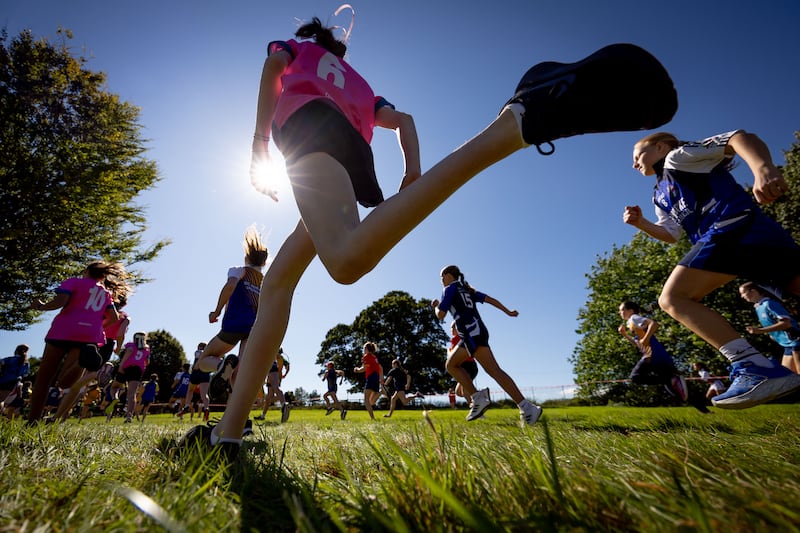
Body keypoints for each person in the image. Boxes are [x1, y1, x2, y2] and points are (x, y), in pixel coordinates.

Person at [178, 11, 676, 451]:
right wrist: (412, 173)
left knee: (346, 261)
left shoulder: (296, 49)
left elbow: (273, 66)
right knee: (279, 282)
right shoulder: (359, 84)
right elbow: (405, 121)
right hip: (348, 157)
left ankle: (513, 125)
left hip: (307, 132)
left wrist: (259, 142)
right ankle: (229, 433)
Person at [624, 130, 800, 409]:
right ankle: (756, 367)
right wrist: (641, 224)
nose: (634, 163)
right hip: (752, 238)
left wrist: (762, 168)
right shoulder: (659, 195)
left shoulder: (678, 158)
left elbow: (739, 137)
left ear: (660, 147)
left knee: (673, 298)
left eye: (638, 155)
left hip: (732, 228)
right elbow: (671, 234)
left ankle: (753, 365)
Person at [432, 265, 542, 426]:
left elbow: (441, 315)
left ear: (449, 276)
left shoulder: (449, 289)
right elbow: (490, 299)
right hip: (479, 330)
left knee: (452, 365)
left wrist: (436, 306)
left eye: (442, 276)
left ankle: (479, 398)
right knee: (494, 370)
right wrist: (507, 311)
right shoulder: (467, 289)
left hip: (470, 333)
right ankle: (527, 408)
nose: (441, 280)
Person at [27, 261, 128, 423]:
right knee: (65, 383)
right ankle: (81, 362)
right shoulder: (105, 293)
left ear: (86, 271)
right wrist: (98, 327)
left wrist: (41, 306)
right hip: (89, 335)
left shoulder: (73, 282)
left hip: (64, 329)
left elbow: (60, 301)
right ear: (102, 277)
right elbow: (114, 317)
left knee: (44, 378)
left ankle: (33, 421)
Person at [193, 226, 268, 388]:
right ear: (263, 263)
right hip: (253, 329)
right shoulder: (264, 281)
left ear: (246, 258)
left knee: (202, 362)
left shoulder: (239, 271)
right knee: (238, 373)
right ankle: (235, 404)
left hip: (233, 325)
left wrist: (216, 312)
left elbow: (230, 286)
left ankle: (222, 365)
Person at [617, 301, 690, 401]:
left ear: (630, 311)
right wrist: (625, 335)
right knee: (675, 390)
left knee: (635, 377)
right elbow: (637, 344)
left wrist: (646, 338)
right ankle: (703, 408)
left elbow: (654, 324)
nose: (620, 313)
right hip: (656, 355)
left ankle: (671, 379)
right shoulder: (630, 323)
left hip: (652, 355)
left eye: (622, 310)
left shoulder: (634, 318)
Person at [739, 282, 800, 373]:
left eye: (743, 293)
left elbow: (786, 323)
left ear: (753, 291)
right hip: (788, 345)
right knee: (788, 376)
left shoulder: (769, 304)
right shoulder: (758, 307)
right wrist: (773, 335)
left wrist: (761, 330)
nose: (742, 296)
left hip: (796, 342)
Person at [113, 332, 151, 423]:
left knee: (115, 386)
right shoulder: (146, 348)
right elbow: (147, 362)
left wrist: (121, 365)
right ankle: (129, 416)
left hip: (127, 367)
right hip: (138, 370)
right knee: (132, 394)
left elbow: (128, 352)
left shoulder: (130, 345)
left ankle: (115, 397)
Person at [445, 322, 480, 405]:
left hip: (468, 366)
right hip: (468, 367)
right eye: (451, 328)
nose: (451, 330)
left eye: (453, 328)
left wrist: (448, 352)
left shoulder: (457, 339)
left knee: (465, 390)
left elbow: (451, 355)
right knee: (458, 392)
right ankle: (480, 395)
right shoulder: (459, 338)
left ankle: (475, 406)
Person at [255, 348, 290, 422]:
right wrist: (285, 374)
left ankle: (284, 405)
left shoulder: (278, 357)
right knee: (268, 397)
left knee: (275, 388)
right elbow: (287, 366)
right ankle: (263, 416)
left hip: (271, 368)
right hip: (271, 371)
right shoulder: (280, 358)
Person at [178, 343, 211, 422]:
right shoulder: (210, 355)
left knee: (190, 390)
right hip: (205, 372)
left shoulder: (198, 351)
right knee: (204, 394)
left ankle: (186, 406)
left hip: (196, 371)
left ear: (199, 346)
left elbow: (199, 355)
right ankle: (206, 408)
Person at [354, 342, 383, 420]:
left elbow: (364, 368)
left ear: (366, 349)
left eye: (364, 349)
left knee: (366, 400)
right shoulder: (375, 357)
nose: (363, 350)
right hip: (376, 377)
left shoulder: (366, 356)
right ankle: (380, 392)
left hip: (370, 377)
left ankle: (372, 418)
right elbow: (380, 368)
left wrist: (357, 370)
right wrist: (381, 378)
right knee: (371, 402)